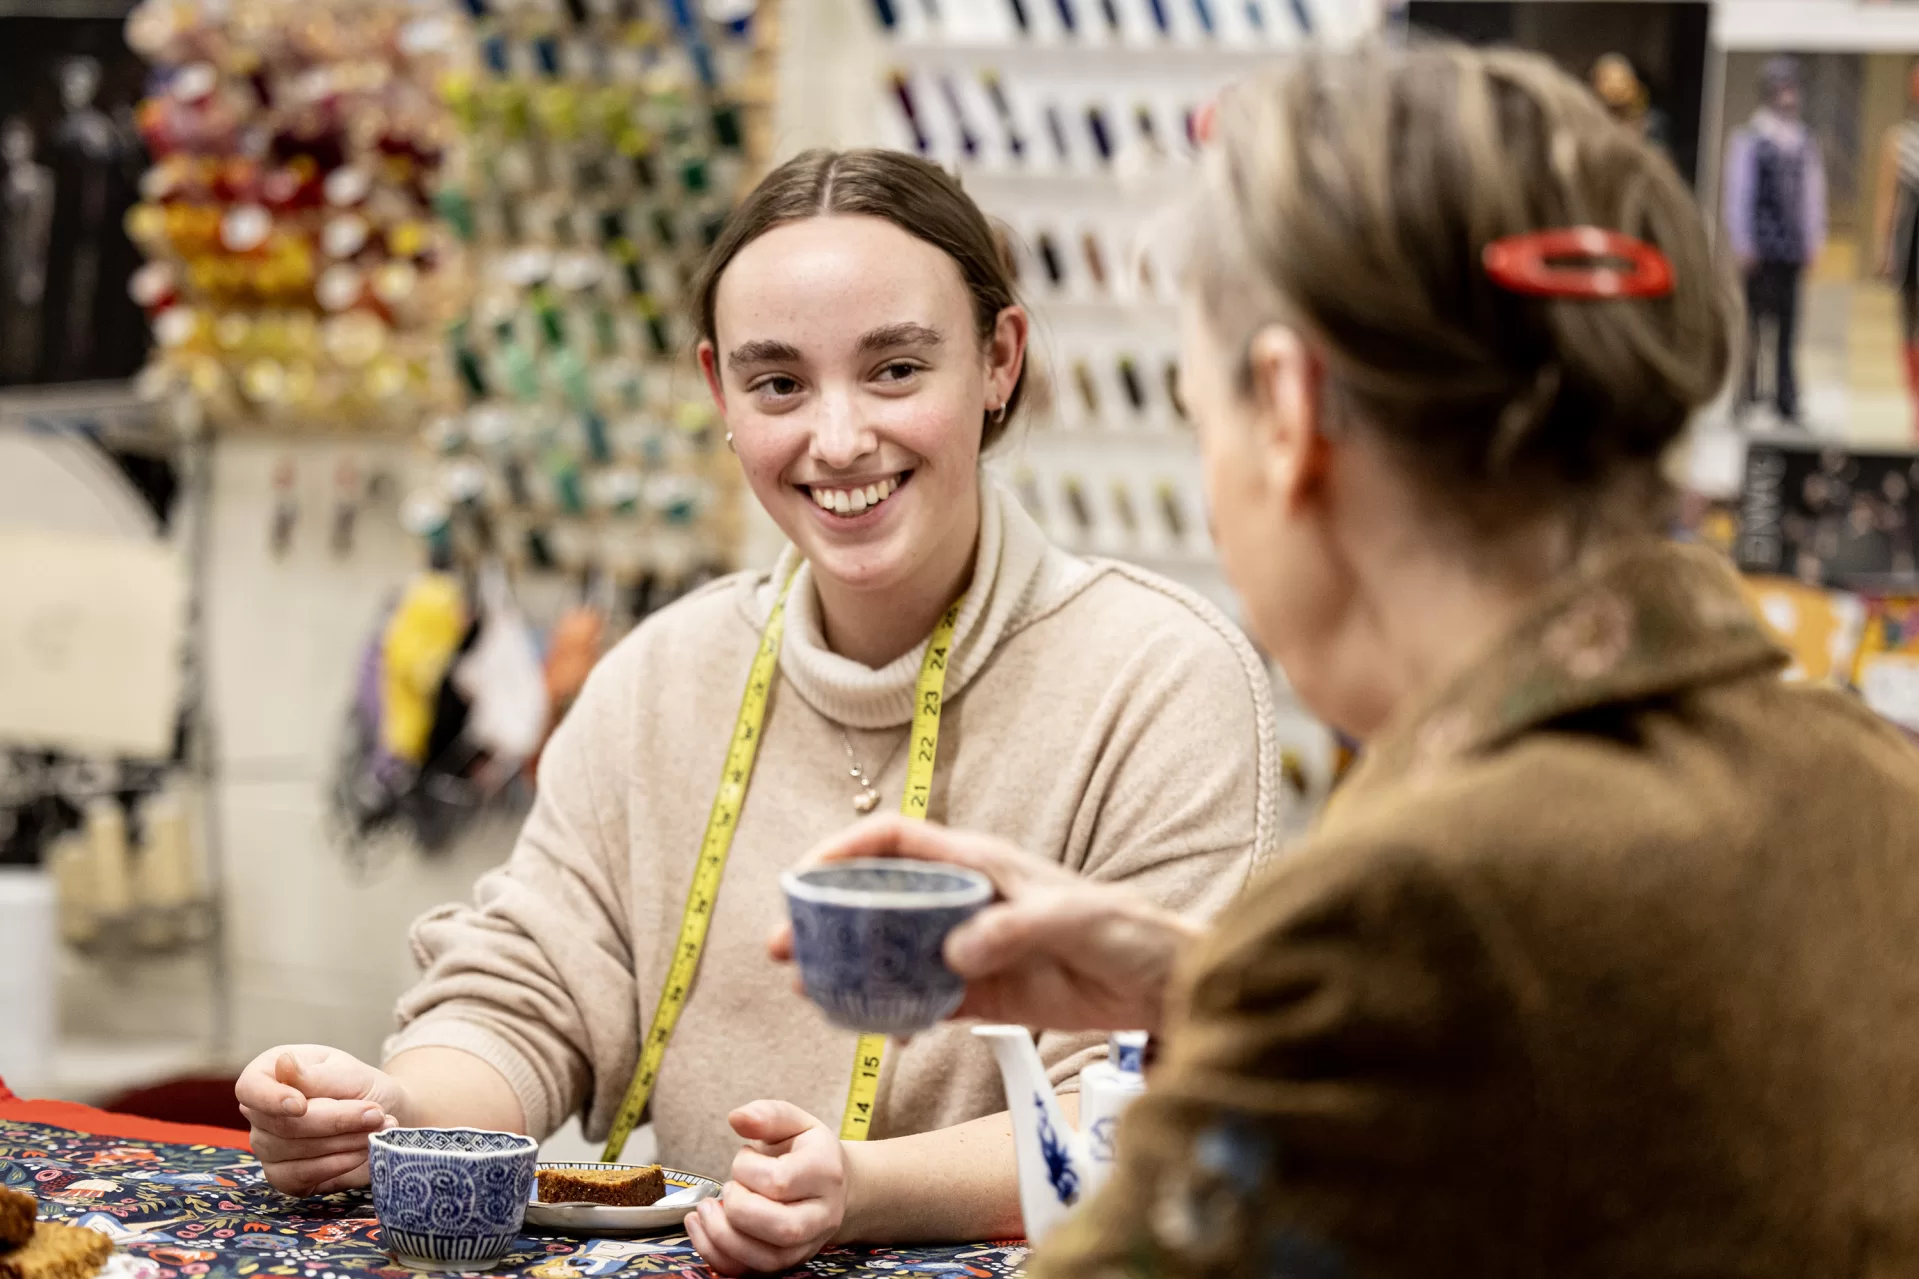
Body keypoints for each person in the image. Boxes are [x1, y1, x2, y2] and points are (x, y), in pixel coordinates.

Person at [782, 42, 1919, 1277]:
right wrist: (1210, 985)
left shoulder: (1403, 919)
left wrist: (1280, 998)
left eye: (1193, 411)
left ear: (1284, 410)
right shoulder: (1867, 787)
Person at [233, 148, 1278, 1275]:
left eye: (893, 370)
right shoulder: (661, 674)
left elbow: (1138, 1105)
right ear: (720, 393)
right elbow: (527, 992)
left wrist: (860, 1188)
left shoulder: (1159, 676)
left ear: (998, 360)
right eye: (778, 384)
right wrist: (391, 1110)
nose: (836, 440)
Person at [1724, 55, 1827, 426]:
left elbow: (1812, 195)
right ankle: (1746, 393)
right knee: (1753, 324)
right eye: (1781, 88)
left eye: (1792, 88)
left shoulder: (1801, 141)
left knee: (1788, 327)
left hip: (1791, 250)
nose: (1788, 96)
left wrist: (1814, 237)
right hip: (1760, 249)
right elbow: (1739, 192)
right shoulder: (1752, 139)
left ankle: (1786, 396)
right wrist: (1742, 242)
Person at [1872, 58, 1919, 438]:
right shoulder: (1899, 139)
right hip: (1909, 246)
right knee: (1907, 326)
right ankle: (1915, 401)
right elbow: (1888, 199)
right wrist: (1883, 248)